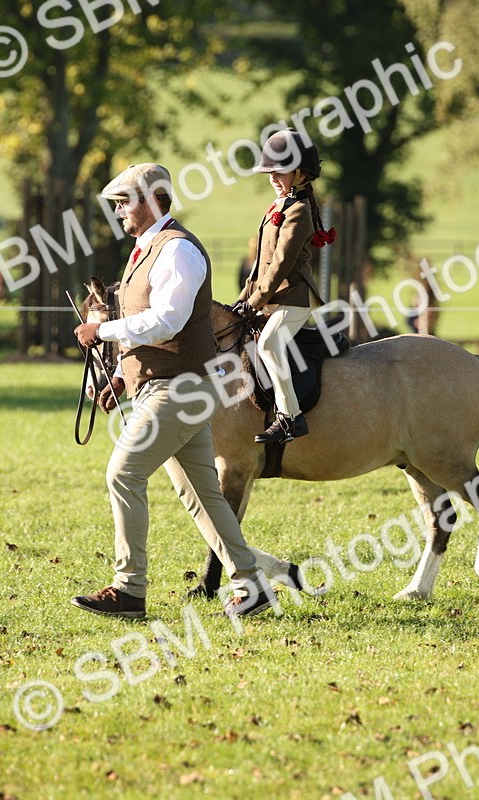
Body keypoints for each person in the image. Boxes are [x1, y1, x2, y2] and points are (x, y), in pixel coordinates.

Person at [72, 163, 273, 619]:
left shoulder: (178, 250)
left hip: (180, 390)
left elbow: (168, 320)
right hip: (161, 387)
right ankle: (252, 584)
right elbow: (155, 332)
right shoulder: (147, 249)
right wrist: (123, 377)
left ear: (151, 199)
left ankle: (129, 590)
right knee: (201, 494)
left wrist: (101, 332)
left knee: (123, 474)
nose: (120, 211)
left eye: (125, 201)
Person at [233, 128, 335, 444]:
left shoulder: (299, 211)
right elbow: (260, 265)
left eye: (281, 170)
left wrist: (256, 302)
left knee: (268, 345)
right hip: (272, 297)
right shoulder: (278, 205)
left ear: (302, 173)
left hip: (295, 297)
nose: (274, 177)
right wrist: (241, 300)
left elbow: (280, 265)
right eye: (270, 172)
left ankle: (290, 417)